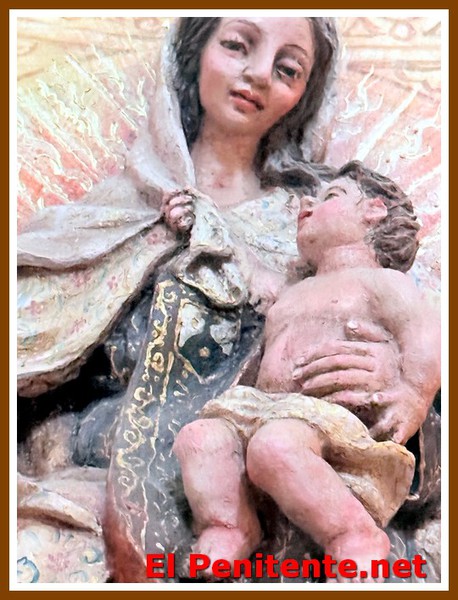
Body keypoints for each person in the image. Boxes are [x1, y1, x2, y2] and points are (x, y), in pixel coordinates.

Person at [16, 18, 437, 583]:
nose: (258, 75)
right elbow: (34, 368)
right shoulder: (107, 216)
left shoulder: (306, 237)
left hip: (300, 475)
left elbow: (419, 371)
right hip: (110, 469)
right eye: (237, 45)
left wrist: (392, 387)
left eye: (288, 69)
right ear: (191, 54)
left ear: (305, 96)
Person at [173, 161, 441, 583]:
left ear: (373, 211)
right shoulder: (291, 291)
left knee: (274, 447)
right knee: (199, 438)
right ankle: (229, 526)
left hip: (327, 420)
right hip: (258, 408)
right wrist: (202, 220)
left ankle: (352, 534)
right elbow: (242, 272)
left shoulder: (381, 282)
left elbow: (423, 334)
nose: (307, 205)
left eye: (331, 196)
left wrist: (412, 392)